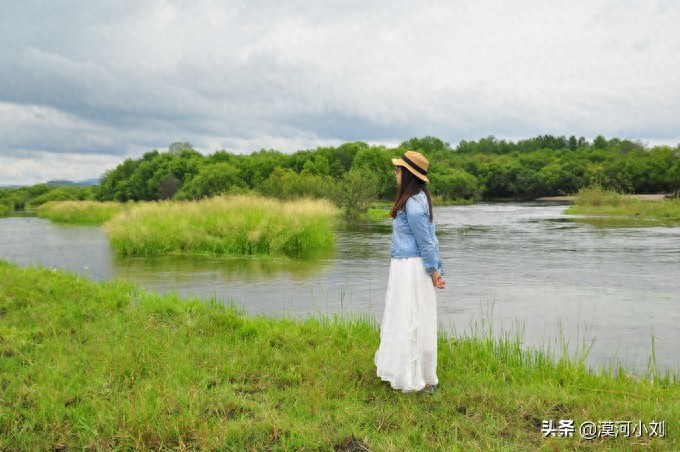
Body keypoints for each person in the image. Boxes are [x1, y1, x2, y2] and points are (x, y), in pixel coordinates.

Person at [374, 150, 445, 394]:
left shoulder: (413, 204)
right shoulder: (418, 199)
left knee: (410, 318)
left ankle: (417, 377)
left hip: (410, 268)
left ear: (408, 175)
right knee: (409, 316)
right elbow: (431, 239)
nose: (395, 173)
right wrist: (436, 267)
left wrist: (434, 270)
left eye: (398, 169)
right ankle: (412, 372)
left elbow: (427, 241)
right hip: (407, 265)